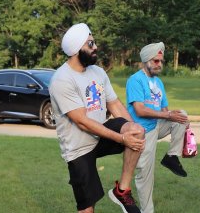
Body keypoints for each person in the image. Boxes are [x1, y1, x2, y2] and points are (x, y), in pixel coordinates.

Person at [49, 23, 145, 213]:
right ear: (77, 50)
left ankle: (122, 190)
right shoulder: (62, 79)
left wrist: (134, 132)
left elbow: (115, 105)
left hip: (99, 136)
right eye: (91, 44)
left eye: (94, 43)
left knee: (136, 130)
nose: (96, 48)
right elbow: (82, 122)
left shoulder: (98, 72)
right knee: (87, 209)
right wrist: (122, 139)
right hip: (78, 148)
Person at [126, 42, 189, 213]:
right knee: (145, 175)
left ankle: (172, 157)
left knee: (182, 115)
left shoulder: (158, 82)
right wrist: (169, 116)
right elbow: (139, 110)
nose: (159, 64)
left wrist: (179, 121)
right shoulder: (135, 80)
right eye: (155, 61)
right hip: (141, 132)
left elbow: (165, 110)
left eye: (161, 61)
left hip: (156, 126)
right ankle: (147, 211)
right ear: (146, 61)